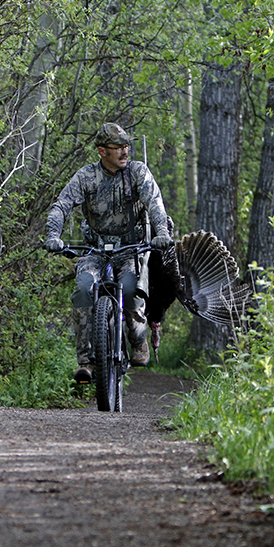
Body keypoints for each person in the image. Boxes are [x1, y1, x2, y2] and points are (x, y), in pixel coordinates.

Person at [45, 122, 173, 383]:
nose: (125, 152)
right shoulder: (86, 177)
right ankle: (86, 362)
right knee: (83, 288)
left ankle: (137, 340)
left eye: (127, 146)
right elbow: (62, 206)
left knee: (131, 289)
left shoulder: (138, 172)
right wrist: (52, 235)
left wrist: (162, 234)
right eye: (118, 148)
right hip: (95, 249)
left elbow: (156, 204)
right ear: (102, 151)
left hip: (131, 248)